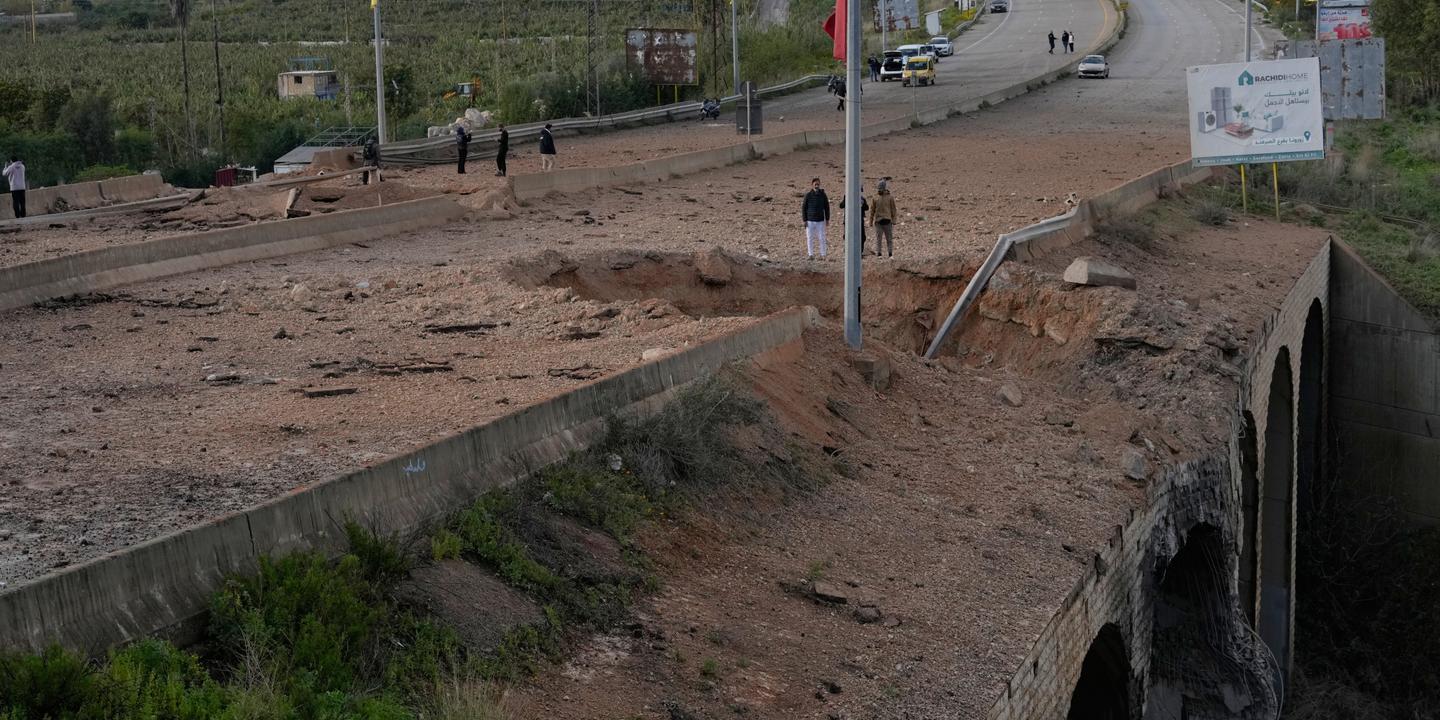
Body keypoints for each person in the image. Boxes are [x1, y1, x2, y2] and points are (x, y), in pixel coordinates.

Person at [802, 177, 830, 259]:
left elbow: (827, 207)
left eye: (818, 184)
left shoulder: (823, 195)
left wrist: (827, 219)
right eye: (815, 184)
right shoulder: (808, 195)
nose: (817, 185)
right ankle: (810, 254)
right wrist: (804, 220)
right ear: (812, 185)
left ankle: (823, 254)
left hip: (820, 220)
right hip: (810, 220)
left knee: (822, 238)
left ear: (819, 184)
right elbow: (804, 207)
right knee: (810, 238)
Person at [869, 178, 898, 258]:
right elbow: (872, 210)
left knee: (889, 239)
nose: (879, 190)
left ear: (884, 188)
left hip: (888, 221)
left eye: (881, 188)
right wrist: (871, 221)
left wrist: (894, 220)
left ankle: (890, 253)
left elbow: (893, 209)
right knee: (879, 239)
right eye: (879, 188)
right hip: (878, 222)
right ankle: (879, 253)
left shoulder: (890, 197)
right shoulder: (875, 198)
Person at [839, 187, 869, 255]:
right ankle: (848, 251)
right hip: (848, 221)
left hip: (859, 221)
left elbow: (867, 208)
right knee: (847, 236)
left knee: (862, 237)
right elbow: (841, 205)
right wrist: (846, 200)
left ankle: (860, 252)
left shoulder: (862, 199)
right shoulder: (847, 197)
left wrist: (863, 204)